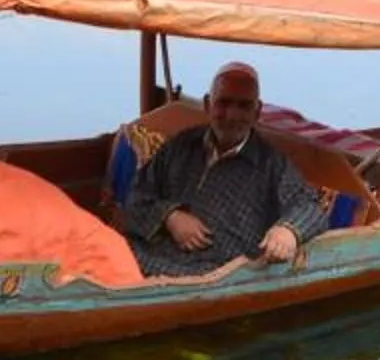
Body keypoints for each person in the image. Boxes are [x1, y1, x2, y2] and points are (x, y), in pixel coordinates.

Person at [121, 61, 326, 278]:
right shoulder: (181, 146)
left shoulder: (271, 164)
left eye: (243, 106)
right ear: (208, 105)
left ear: (257, 111)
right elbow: (137, 196)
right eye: (224, 103)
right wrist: (169, 216)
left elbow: (310, 208)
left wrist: (288, 230)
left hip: (211, 278)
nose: (232, 115)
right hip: (145, 258)